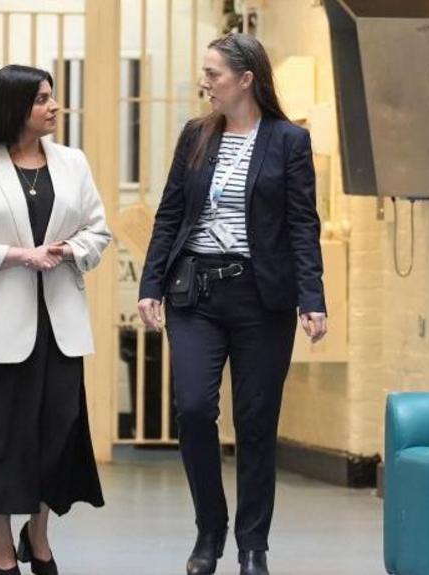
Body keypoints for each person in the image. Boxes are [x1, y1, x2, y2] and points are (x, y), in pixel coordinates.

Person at [138, 33, 328, 575]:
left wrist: (312, 298)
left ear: (246, 80)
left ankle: (252, 545)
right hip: (195, 294)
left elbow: (301, 226)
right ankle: (209, 530)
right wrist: (151, 284)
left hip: (261, 298)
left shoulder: (289, 141)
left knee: (256, 420)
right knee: (194, 409)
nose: (206, 82)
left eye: (214, 73)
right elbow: (169, 215)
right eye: (205, 72)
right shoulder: (196, 135)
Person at [0, 64, 110, 575]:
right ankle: (1, 545)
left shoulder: (73, 163)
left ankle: (39, 535)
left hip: (58, 329)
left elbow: (97, 232)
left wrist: (69, 249)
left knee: (55, 437)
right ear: (14, 107)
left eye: (52, 97)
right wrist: (19, 255)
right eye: (42, 99)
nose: (54, 106)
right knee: (3, 440)